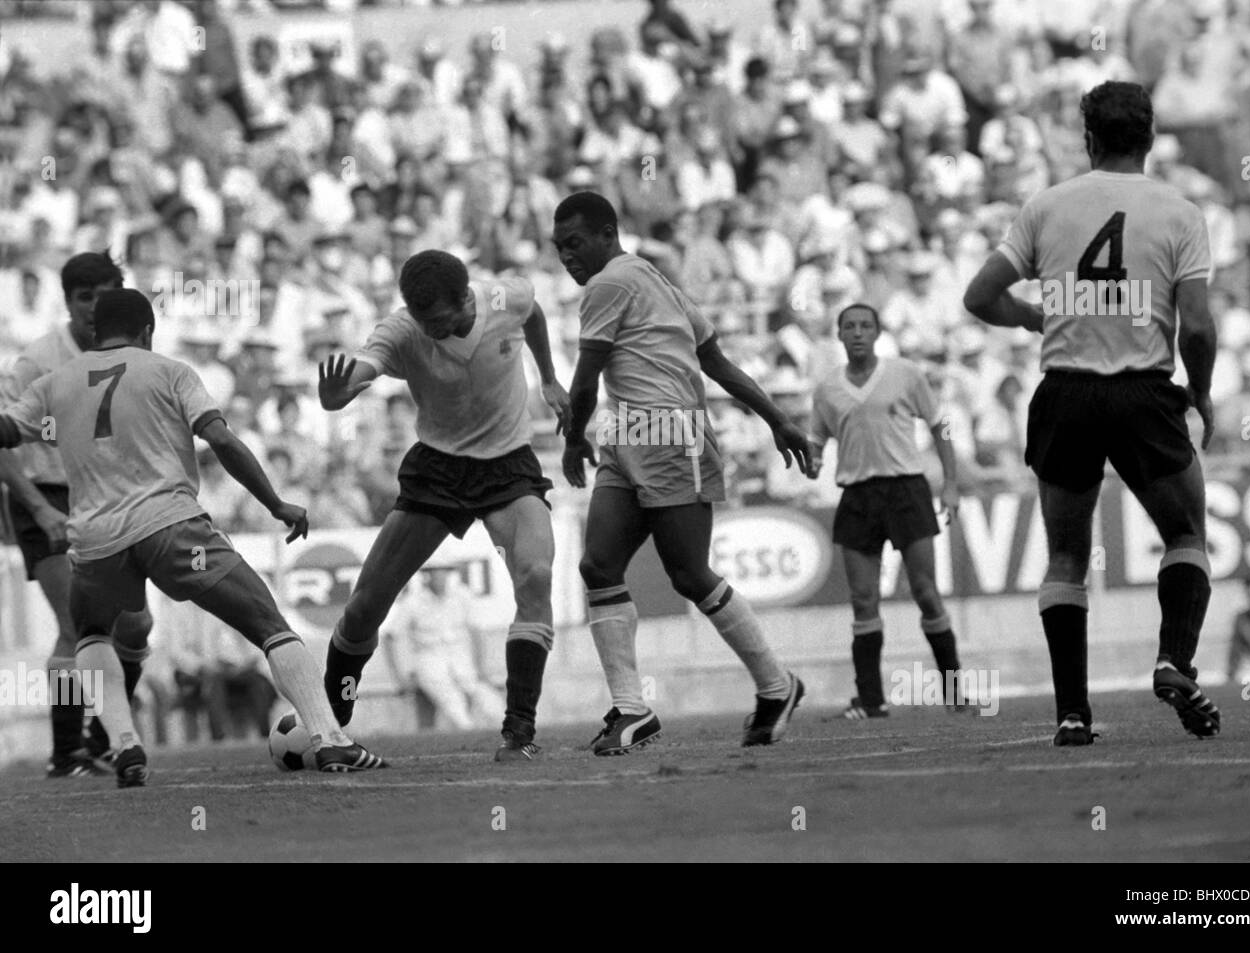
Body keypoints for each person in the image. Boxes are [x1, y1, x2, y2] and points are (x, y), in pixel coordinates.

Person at [0, 289, 384, 787]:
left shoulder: (56, 384)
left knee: (92, 634)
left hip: (96, 542)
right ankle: (330, 738)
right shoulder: (169, 371)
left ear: (95, 333)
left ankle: (124, 745)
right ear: (147, 332)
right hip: (173, 529)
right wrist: (275, 503)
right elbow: (221, 439)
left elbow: (8, 431)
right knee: (267, 623)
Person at [963, 81, 1220, 745]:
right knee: (1186, 532)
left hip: (1067, 392)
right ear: (1151, 137)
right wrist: (1204, 390)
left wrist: (1030, 317)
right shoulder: (1179, 210)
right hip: (1142, 392)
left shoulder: (1048, 206)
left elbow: (980, 295)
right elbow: (1198, 326)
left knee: (1067, 556)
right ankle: (1172, 659)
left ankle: (1073, 714)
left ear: (1089, 139)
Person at [552, 190, 811, 754]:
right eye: (558, 248)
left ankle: (777, 685)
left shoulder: (610, 283)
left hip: (671, 436)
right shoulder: (658, 283)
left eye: (574, 244)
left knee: (689, 575)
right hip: (626, 436)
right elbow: (715, 360)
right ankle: (631, 709)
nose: (567, 257)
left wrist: (573, 441)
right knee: (598, 565)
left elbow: (586, 377)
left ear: (607, 234)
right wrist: (777, 420)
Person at [316, 250, 570, 763]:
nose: (426, 328)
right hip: (440, 470)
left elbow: (535, 312)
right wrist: (339, 394)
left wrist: (547, 376)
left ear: (465, 299)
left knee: (537, 574)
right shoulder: (404, 328)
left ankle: (519, 730)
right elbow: (365, 368)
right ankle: (329, 720)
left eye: (437, 319)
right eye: (418, 316)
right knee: (367, 603)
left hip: (507, 466)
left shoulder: (505, 296)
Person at [0, 252, 141, 778]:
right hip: (45, 496)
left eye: (106, 294)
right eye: (86, 297)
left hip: (103, 495)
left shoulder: (128, 354)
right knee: (75, 622)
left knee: (135, 624)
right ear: (68, 303)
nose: (95, 308)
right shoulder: (37, 360)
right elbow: (3, 440)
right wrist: (36, 507)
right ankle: (66, 754)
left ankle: (103, 739)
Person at [808, 304, 966, 719]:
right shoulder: (827, 389)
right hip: (858, 495)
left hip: (905, 490)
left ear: (877, 333)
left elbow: (940, 424)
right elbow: (815, 442)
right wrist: (808, 458)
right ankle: (872, 700)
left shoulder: (905, 374)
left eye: (865, 326)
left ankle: (954, 691)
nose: (858, 332)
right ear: (839, 335)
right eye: (850, 326)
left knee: (926, 593)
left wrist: (950, 484)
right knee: (863, 600)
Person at [383, 570, 503, 731]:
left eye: (443, 572)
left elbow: (476, 631)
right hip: (429, 659)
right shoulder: (413, 601)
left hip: (460, 657)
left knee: (486, 697)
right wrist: (399, 676)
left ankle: (512, 730)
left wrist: (480, 665)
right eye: (434, 573)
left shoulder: (461, 595)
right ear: (426, 576)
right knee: (451, 699)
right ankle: (468, 730)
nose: (439, 577)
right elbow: (390, 635)